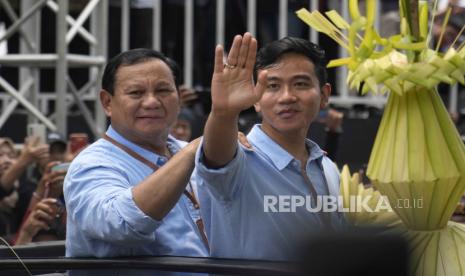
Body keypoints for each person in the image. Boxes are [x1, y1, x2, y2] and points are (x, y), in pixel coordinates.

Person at [194, 34, 345, 260]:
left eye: (300, 84)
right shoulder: (240, 157)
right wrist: (223, 113)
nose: (287, 97)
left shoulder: (326, 167)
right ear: (255, 98)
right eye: (272, 86)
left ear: (324, 95)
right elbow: (216, 157)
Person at [64, 48, 209, 261]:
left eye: (163, 90)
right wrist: (189, 155)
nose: (151, 102)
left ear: (178, 97)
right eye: (136, 93)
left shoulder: (189, 148)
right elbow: (121, 224)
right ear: (107, 103)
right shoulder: (90, 165)